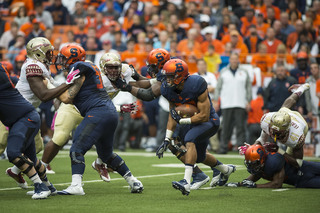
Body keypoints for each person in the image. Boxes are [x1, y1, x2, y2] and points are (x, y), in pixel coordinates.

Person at [114, 48, 212, 190]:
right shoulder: (166, 73)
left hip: (189, 114)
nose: (151, 68)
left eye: (153, 65)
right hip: (177, 111)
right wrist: (132, 79)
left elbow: (148, 94)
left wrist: (127, 87)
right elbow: (149, 83)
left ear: (162, 65)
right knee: (179, 145)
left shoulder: (170, 75)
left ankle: (196, 176)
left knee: (186, 144)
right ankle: (219, 170)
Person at [54, 44, 143, 195]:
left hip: (98, 113)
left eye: (64, 58)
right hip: (110, 113)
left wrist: (51, 83)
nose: (61, 62)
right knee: (106, 154)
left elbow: (67, 96)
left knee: (77, 149)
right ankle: (133, 181)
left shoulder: (82, 66)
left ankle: (76, 186)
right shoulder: (87, 73)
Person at [5, 37, 79, 189]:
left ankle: (42, 184)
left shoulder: (40, 65)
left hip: (25, 114)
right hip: (15, 113)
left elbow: (54, 87)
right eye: (48, 52)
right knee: (12, 151)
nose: (51, 54)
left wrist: (73, 88)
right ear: (38, 53)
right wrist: (68, 83)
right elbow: (44, 95)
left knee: (33, 151)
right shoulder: (33, 66)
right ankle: (35, 182)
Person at [155, 58, 235, 196]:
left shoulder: (197, 84)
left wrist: (183, 121)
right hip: (191, 122)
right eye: (166, 77)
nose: (167, 80)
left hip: (209, 121)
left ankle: (186, 182)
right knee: (199, 157)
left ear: (180, 76)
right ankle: (225, 169)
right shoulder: (168, 90)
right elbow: (173, 114)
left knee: (189, 139)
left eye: (170, 77)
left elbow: (204, 115)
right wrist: (167, 138)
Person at [0, 63, 56, 199]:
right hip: (22, 118)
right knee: (32, 159)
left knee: (13, 153)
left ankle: (39, 186)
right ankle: (48, 186)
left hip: (25, 118)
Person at [240, 83, 310, 168]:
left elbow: (298, 163)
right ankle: (301, 89)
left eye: (278, 133)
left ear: (287, 130)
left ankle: (300, 89)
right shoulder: (268, 119)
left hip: (301, 123)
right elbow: (262, 140)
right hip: (284, 115)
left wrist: (279, 150)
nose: (274, 134)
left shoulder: (296, 136)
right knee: (284, 107)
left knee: (287, 163)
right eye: (273, 130)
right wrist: (252, 148)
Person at [229, 144, 320, 188]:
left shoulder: (274, 161)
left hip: (307, 168)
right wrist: (239, 184)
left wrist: (256, 186)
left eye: (255, 163)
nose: (252, 166)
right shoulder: (261, 166)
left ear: (262, 160)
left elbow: (277, 184)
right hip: (300, 182)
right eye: (250, 164)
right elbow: (256, 174)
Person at [213, 53, 252, 154]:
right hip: (227, 103)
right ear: (229, 60)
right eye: (232, 59)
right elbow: (218, 87)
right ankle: (223, 147)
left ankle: (241, 149)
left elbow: (248, 88)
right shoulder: (223, 72)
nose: (234, 61)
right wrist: (216, 100)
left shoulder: (244, 72)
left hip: (240, 103)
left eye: (236, 59)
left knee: (241, 128)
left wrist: (248, 101)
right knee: (226, 128)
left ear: (238, 60)